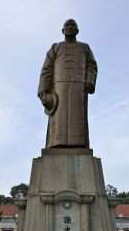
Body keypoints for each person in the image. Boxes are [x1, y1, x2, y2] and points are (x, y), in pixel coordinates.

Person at [38, 19, 98, 148]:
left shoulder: (84, 47)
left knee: (78, 121)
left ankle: (78, 144)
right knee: (58, 122)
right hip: (58, 89)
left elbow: (92, 66)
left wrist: (90, 81)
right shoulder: (55, 47)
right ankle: (56, 143)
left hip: (79, 88)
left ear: (77, 30)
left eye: (73, 25)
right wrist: (43, 92)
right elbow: (46, 70)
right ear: (62, 30)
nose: (70, 27)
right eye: (67, 25)